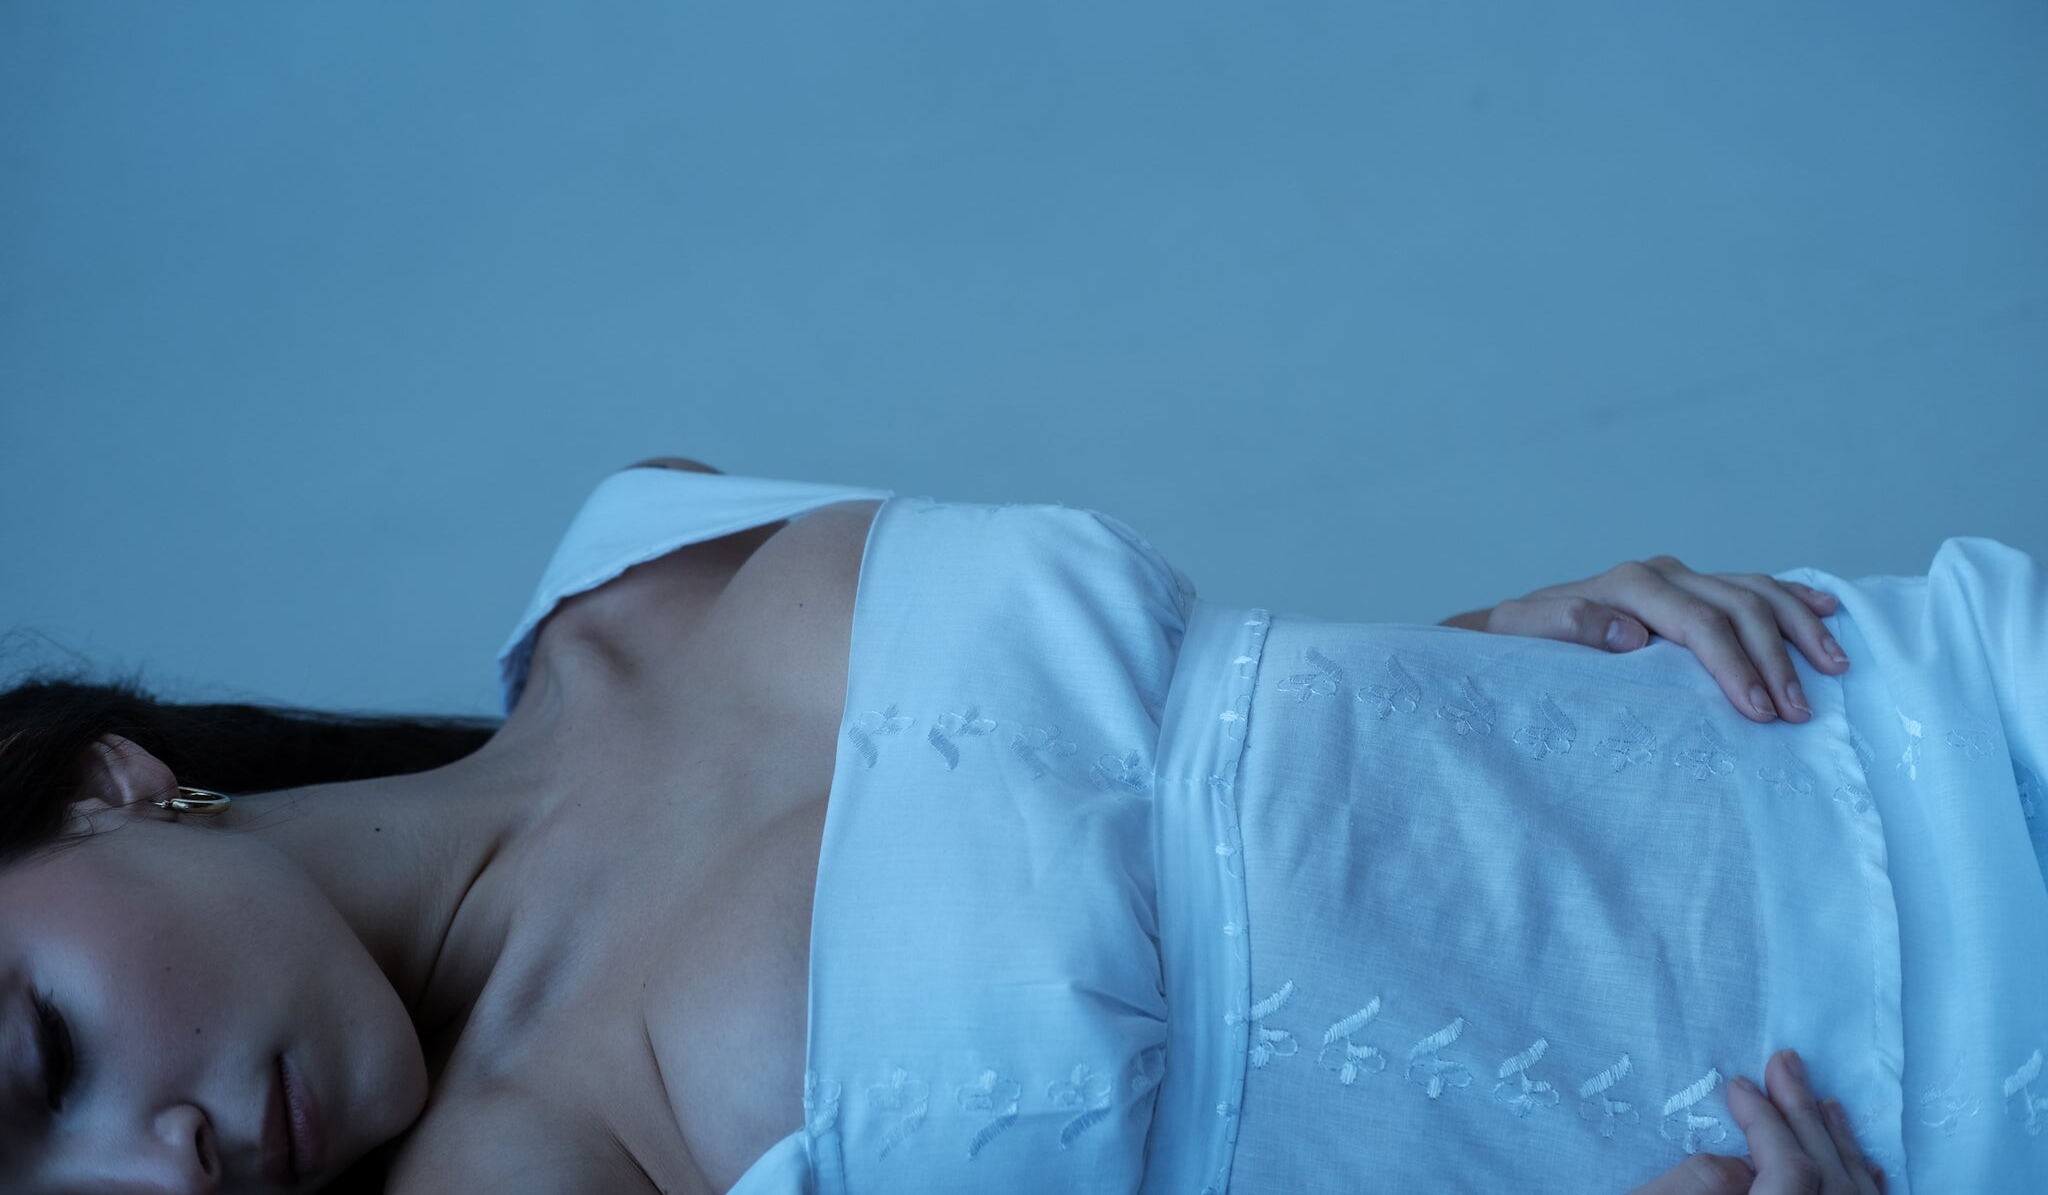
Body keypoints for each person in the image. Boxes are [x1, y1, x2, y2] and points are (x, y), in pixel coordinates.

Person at [1, 462, 2041, 1193]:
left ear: (94, 783)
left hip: (1893, 703)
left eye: (41, 1060)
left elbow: (1141, 791)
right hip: (1905, 1111)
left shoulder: (639, 554)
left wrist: (1486, 648)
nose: (149, 1174)